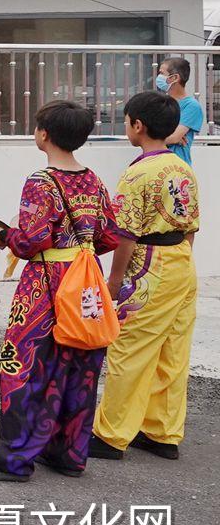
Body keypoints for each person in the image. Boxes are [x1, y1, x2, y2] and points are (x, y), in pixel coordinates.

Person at [0, 100, 121, 482]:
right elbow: (109, 235)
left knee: (25, 366)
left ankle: (11, 460)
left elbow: (31, 241)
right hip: (86, 278)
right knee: (79, 365)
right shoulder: (93, 180)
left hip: (46, 284)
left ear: (44, 135)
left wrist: (3, 236)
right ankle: (68, 453)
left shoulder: (41, 182)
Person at [92, 91, 200, 463]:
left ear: (137, 126)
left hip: (149, 262)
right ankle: (162, 431)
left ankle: (111, 434)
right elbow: (191, 227)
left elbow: (125, 234)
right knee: (173, 348)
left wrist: (115, 280)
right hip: (181, 260)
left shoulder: (137, 172)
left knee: (130, 347)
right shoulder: (182, 168)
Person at [155, 56, 204, 167]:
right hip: (153, 163)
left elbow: (174, 137)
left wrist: (158, 138)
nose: (159, 77)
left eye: (162, 73)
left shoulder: (191, 106)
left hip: (177, 167)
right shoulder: (158, 103)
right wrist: (168, 137)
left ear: (175, 78)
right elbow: (146, 131)